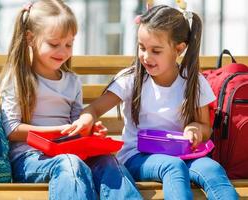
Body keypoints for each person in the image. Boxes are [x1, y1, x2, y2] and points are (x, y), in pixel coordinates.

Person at [63, 5, 238, 200]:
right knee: (173, 167)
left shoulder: (193, 82)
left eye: (156, 50)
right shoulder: (131, 79)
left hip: (184, 155)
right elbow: (95, 108)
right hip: (137, 156)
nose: (146, 56)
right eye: (142, 47)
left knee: (213, 169)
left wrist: (195, 129)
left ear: (179, 49)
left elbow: (205, 127)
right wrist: (86, 119)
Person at [0, 0, 142, 199]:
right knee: (70, 164)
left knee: (109, 162)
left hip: (69, 153)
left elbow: (76, 126)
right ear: (30, 38)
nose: (63, 52)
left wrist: (89, 130)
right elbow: (11, 129)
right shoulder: (18, 78)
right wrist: (55, 133)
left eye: (69, 44)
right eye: (54, 44)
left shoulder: (72, 82)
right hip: (30, 159)